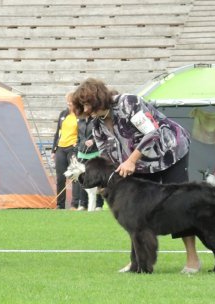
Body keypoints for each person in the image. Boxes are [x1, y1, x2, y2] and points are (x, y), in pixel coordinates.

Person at [71, 78, 201, 274]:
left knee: (179, 205)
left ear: (96, 97)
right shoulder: (97, 126)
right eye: (82, 107)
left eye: (87, 104)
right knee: (136, 212)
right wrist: (105, 182)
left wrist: (131, 160)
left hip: (170, 152)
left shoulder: (128, 103)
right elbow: (109, 159)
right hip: (142, 164)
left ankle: (193, 259)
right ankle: (138, 262)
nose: (86, 110)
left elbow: (152, 133)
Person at [52, 92, 81, 210]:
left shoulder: (80, 115)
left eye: (71, 101)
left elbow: (83, 131)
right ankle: (60, 204)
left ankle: (75, 204)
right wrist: (54, 149)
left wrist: (77, 143)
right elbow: (57, 132)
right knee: (60, 177)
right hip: (61, 148)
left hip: (73, 148)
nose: (69, 104)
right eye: (67, 101)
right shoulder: (63, 114)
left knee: (74, 176)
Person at [76, 116, 104, 211]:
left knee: (96, 178)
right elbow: (78, 136)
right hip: (81, 153)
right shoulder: (80, 120)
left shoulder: (96, 120)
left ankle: (99, 205)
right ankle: (83, 203)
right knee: (82, 179)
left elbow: (103, 135)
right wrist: (78, 146)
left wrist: (93, 141)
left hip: (95, 152)